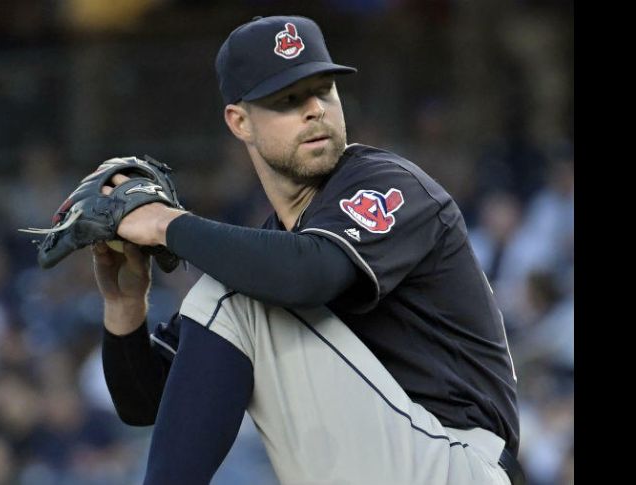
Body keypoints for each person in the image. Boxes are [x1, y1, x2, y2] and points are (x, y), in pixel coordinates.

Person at [93, 15, 523, 485]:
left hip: (454, 459)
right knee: (234, 296)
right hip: (377, 463)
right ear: (240, 122)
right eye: (288, 99)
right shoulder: (271, 255)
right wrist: (125, 306)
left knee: (233, 296)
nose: (315, 109)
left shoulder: (387, 183)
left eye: (324, 90)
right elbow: (147, 403)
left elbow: (309, 275)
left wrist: (164, 222)